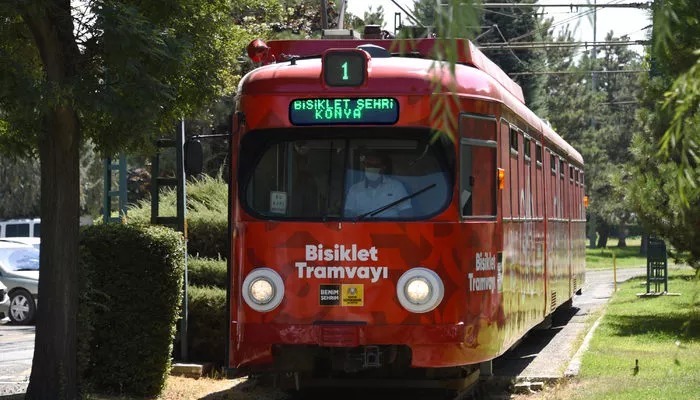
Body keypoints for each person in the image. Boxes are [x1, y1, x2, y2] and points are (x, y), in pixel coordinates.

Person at [344, 152, 412, 218]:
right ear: (364, 166)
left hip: (390, 228)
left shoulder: (396, 187)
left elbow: (406, 213)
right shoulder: (355, 189)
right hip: (362, 227)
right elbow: (348, 214)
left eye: (375, 166)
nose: (371, 168)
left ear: (383, 167)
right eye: (368, 165)